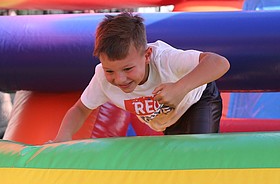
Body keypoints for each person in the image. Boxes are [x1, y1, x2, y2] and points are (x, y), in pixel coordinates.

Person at [52, 12, 230, 142]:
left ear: (147, 55)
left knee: (195, 152)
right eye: (110, 71)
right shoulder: (102, 79)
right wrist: (63, 137)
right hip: (168, 120)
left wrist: (179, 89)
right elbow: (80, 109)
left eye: (128, 69)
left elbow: (219, 62)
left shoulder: (164, 60)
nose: (120, 79)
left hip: (197, 100)